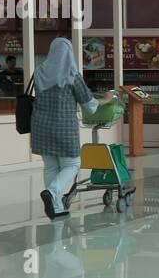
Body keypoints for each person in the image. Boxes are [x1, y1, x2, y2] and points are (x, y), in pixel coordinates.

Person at [31, 37, 115, 219]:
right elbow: (89, 103)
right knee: (73, 164)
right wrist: (107, 99)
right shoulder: (71, 74)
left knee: (50, 167)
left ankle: (57, 207)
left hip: (41, 126)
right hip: (63, 127)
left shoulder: (39, 72)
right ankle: (52, 193)